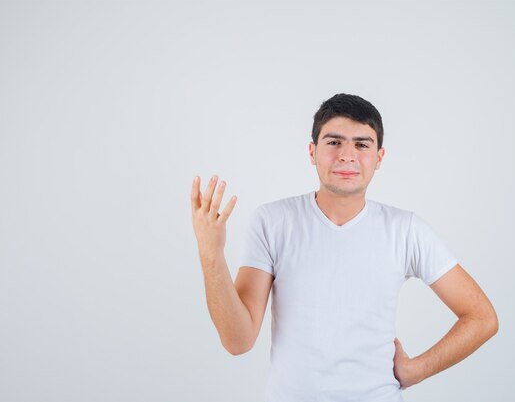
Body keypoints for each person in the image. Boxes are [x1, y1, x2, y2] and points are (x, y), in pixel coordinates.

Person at [190, 93, 498, 402]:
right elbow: (237, 340)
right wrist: (211, 254)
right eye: (334, 142)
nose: (347, 155)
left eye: (362, 144)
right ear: (312, 152)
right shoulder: (273, 221)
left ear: (379, 158)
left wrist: (416, 370)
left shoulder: (405, 229)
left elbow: (481, 317)